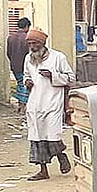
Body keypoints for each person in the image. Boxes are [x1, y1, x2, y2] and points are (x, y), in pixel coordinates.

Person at [23, 28, 74, 181]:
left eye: (34, 43)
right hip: (34, 104)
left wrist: (53, 76)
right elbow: (26, 74)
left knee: (52, 135)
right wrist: (27, 82)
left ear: (42, 43)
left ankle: (61, 156)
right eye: (30, 43)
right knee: (37, 137)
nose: (32, 47)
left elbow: (70, 78)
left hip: (53, 102)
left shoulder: (58, 57)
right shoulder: (28, 59)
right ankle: (43, 170)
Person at [7, 17, 31, 111]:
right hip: (24, 66)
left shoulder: (10, 38)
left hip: (14, 65)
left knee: (20, 84)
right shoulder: (27, 38)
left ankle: (20, 104)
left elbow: (8, 53)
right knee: (24, 84)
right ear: (26, 26)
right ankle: (23, 105)